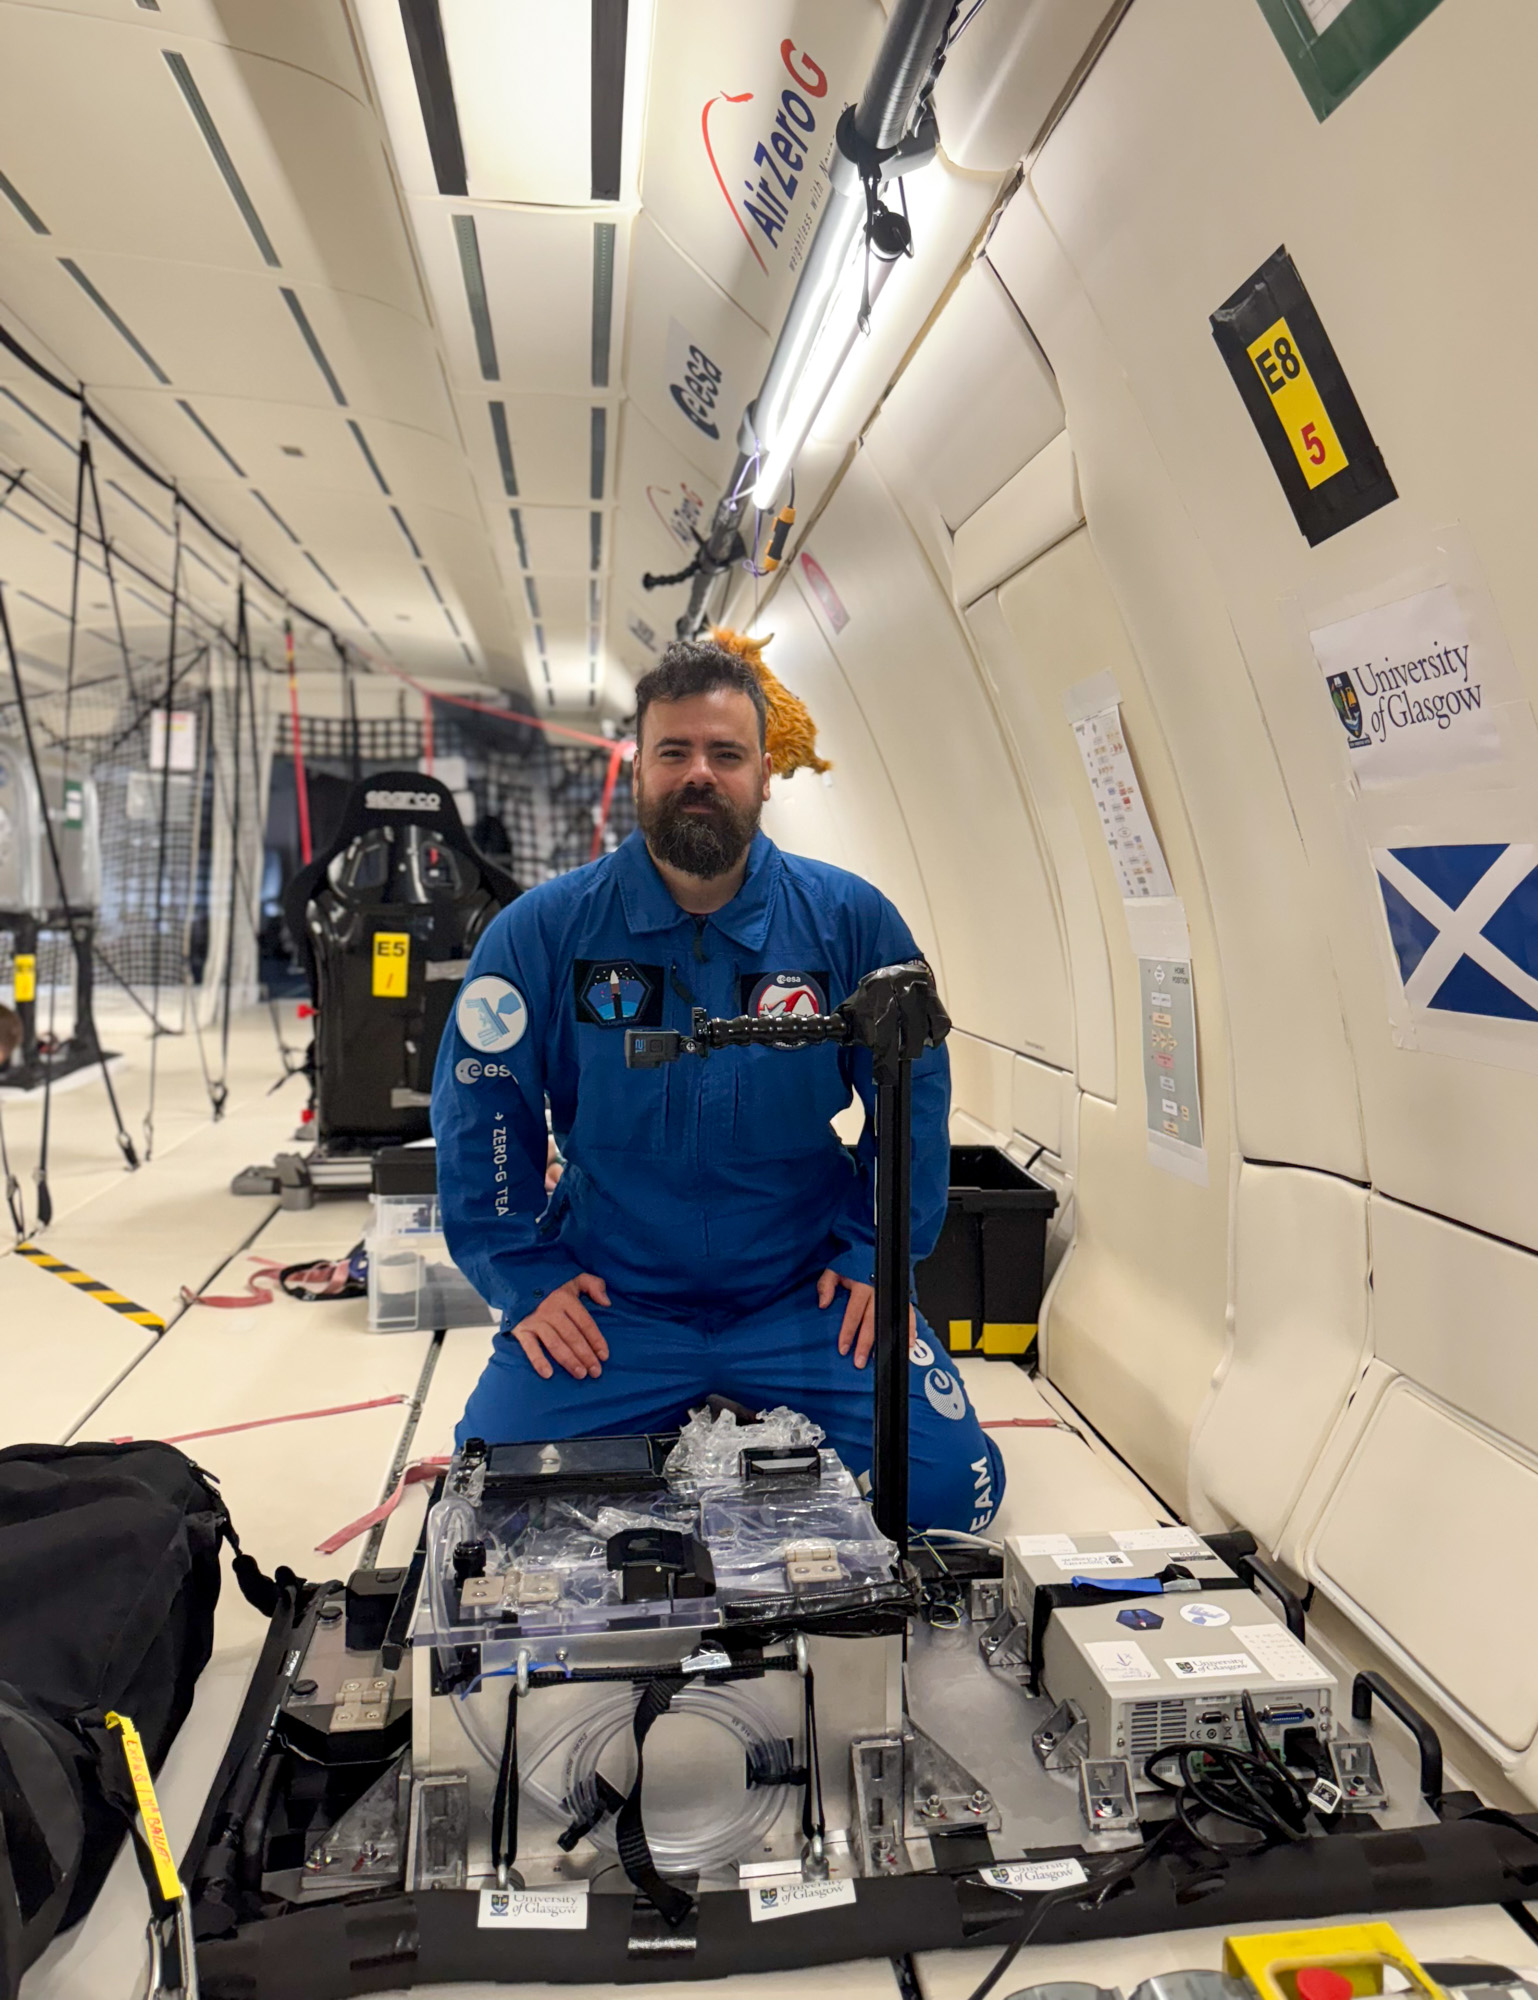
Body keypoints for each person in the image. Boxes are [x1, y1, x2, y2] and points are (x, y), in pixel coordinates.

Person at [431, 638, 1002, 1532]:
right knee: (493, 1505)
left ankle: (732, 1409)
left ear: (766, 774)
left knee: (948, 1495)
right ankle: (705, 1414)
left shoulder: (850, 922)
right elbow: (481, 1110)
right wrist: (523, 1273)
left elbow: (914, 1100)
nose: (700, 773)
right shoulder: (541, 932)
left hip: (800, 1295)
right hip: (614, 1303)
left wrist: (873, 1255)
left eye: (726, 754)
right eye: (675, 752)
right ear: (638, 769)